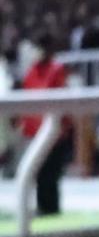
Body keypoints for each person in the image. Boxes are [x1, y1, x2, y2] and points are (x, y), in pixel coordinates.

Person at [18, 38, 70, 216]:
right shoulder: (31, 71)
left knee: (51, 173)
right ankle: (42, 206)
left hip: (54, 131)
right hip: (34, 130)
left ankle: (52, 207)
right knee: (38, 172)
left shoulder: (57, 69)